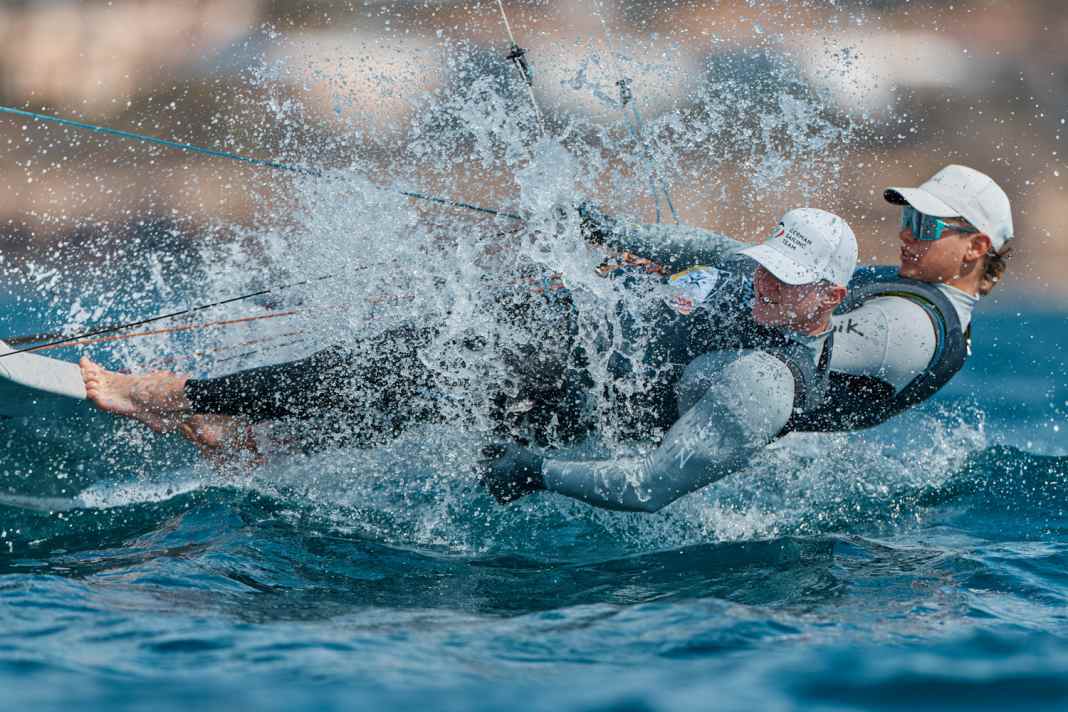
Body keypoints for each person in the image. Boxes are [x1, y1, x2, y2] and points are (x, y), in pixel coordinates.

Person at [80, 209, 856, 503]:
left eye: (788, 282)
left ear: (829, 297)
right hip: (546, 334)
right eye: (766, 265)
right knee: (384, 382)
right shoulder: (734, 265)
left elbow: (657, 485)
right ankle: (243, 435)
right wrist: (580, 216)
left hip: (565, 396)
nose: (765, 285)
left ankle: (176, 393)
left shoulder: (768, 378)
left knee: (395, 367)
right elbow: (645, 239)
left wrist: (543, 472)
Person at [479, 164, 1014, 510]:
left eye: (926, 226)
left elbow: (790, 349)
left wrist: (688, 293)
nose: (904, 233)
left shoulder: (909, 330)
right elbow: (740, 258)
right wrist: (616, 234)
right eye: (906, 217)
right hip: (586, 350)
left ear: (975, 247)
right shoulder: (904, 286)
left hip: (591, 378)